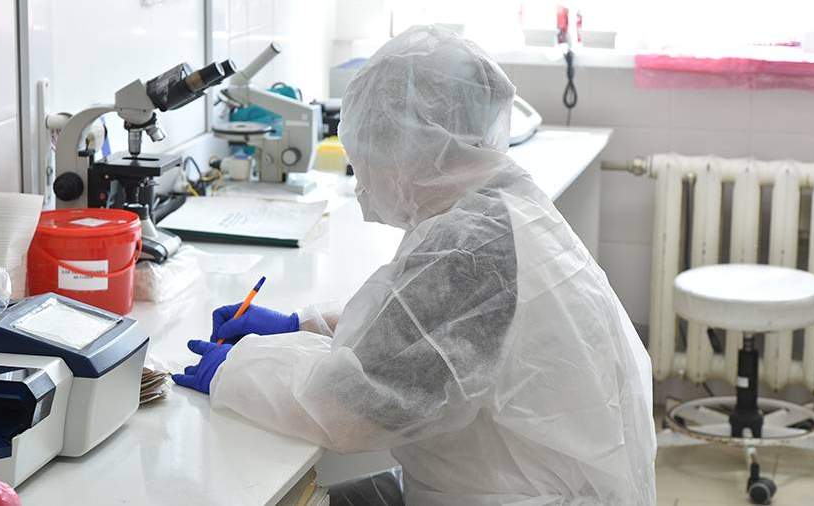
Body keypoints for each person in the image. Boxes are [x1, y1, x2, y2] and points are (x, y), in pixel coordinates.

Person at [175, 25, 656, 505]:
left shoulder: (469, 248)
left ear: (409, 148)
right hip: (520, 481)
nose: (362, 179)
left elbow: (353, 409)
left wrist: (233, 373)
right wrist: (302, 325)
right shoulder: (497, 205)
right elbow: (431, 332)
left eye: (366, 155)